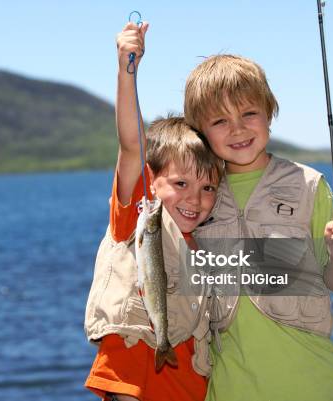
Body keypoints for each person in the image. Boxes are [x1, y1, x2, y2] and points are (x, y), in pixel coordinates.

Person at [183, 54, 333, 401]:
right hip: (228, 388)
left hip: (309, 383)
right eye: (220, 120)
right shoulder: (199, 195)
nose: (238, 129)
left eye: (249, 113)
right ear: (201, 132)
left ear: (269, 113)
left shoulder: (309, 186)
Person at [84, 22, 224, 401]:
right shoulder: (136, 219)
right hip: (130, 387)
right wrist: (127, 69)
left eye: (207, 187)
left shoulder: (208, 247)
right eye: (181, 184)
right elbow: (131, 145)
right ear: (151, 180)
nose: (194, 199)